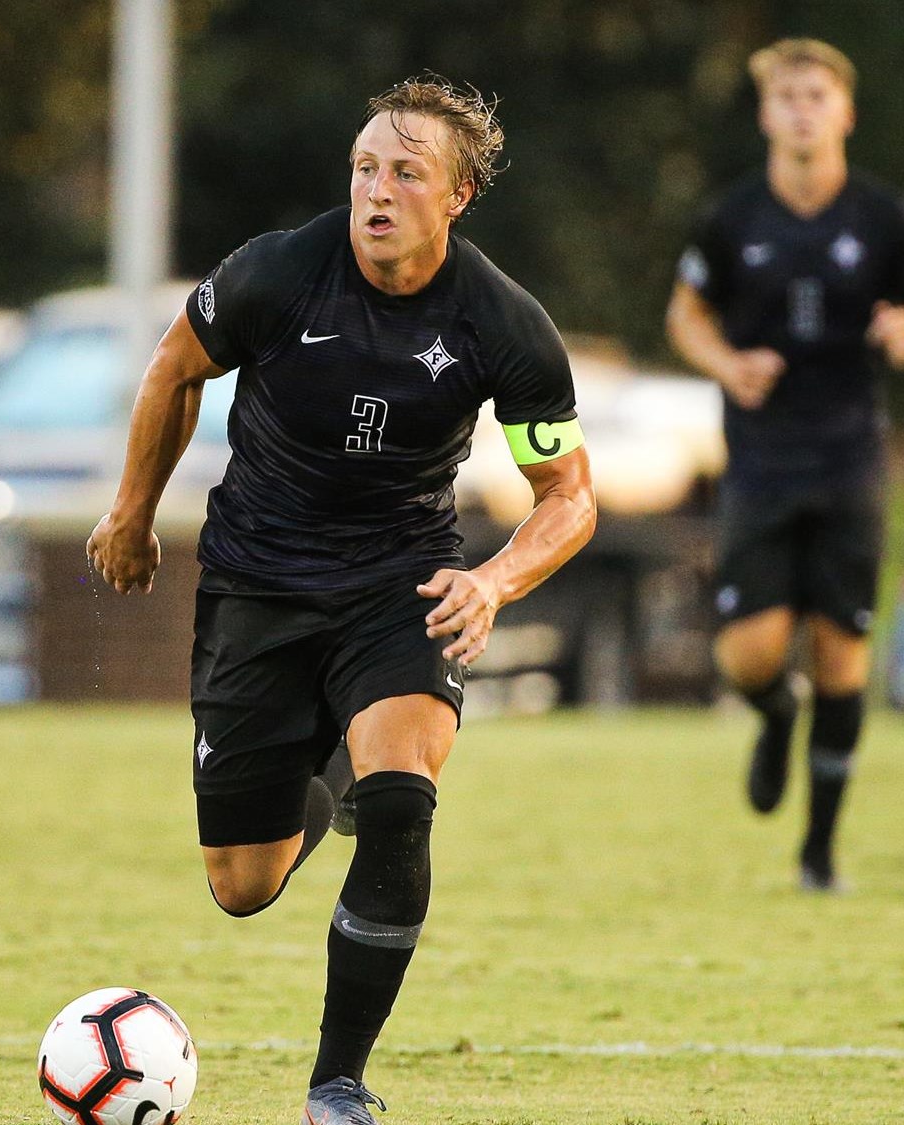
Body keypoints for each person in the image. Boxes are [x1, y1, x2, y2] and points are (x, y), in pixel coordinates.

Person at [87, 77, 596, 1125]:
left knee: (402, 800)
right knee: (241, 884)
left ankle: (336, 1084)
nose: (376, 189)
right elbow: (172, 370)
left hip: (398, 582)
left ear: (455, 196)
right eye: (365, 166)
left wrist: (492, 580)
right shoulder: (278, 270)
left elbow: (569, 497)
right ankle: (333, 756)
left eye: (406, 172)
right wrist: (132, 514)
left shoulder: (503, 322)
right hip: (257, 583)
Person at [666, 39, 904, 891]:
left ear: (846, 113)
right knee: (749, 654)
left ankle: (818, 854)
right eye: (788, 96)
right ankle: (773, 715)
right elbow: (685, 315)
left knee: (844, 657)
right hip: (762, 464)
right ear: (766, 114)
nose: (802, 109)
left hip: (850, 462)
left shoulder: (885, 218)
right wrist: (728, 364)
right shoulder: (733, 218)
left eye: (818, 95)